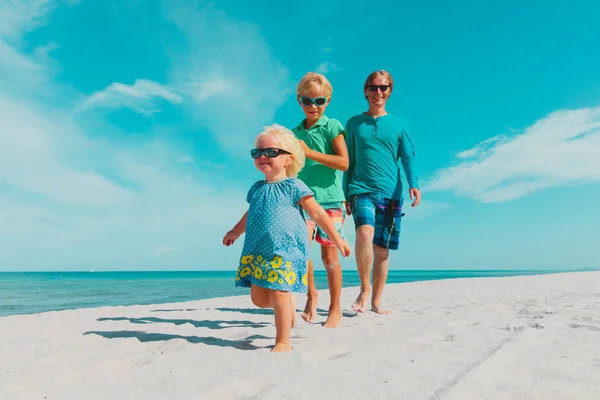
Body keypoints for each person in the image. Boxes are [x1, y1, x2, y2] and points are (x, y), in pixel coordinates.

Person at [223, 124, 351, 352]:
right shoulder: (256, 189)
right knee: (259, 299)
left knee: (279, 291)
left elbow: (317, 213)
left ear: (288, 159)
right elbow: (250, 213)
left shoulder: (294, 186)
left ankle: (283, 342)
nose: (263, 156)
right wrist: (235, 231)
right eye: (258, 152)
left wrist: (337, 238)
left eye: (271, 152)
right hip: (259, 250)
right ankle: (289, 305)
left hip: (287, 249)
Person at [343, 70, 421, 314]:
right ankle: (364, 290)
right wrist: (345, 193)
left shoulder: (399, 124)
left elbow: (407, 155)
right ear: (365, 90)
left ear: (390, 91)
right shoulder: (354, 123)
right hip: (361, 189)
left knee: (382, 248)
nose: (379, 92)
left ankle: (376, 301)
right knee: (364, 235)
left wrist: (414, 183)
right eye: (374, 87)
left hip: (391, 192)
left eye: (384, 87)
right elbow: (349, 161)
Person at [291, 72, 349, 328]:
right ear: (299, 101)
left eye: (319, 101)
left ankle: (335, 307)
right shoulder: (293, 134)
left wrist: (311, 152)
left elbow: (344, 162)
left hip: (331, 200)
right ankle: (311, 294)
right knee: (302, 253)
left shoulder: (333, 126)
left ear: (327, 101)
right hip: (303, 201)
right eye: (307, 101)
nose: (313, 106)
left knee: (329, 258)